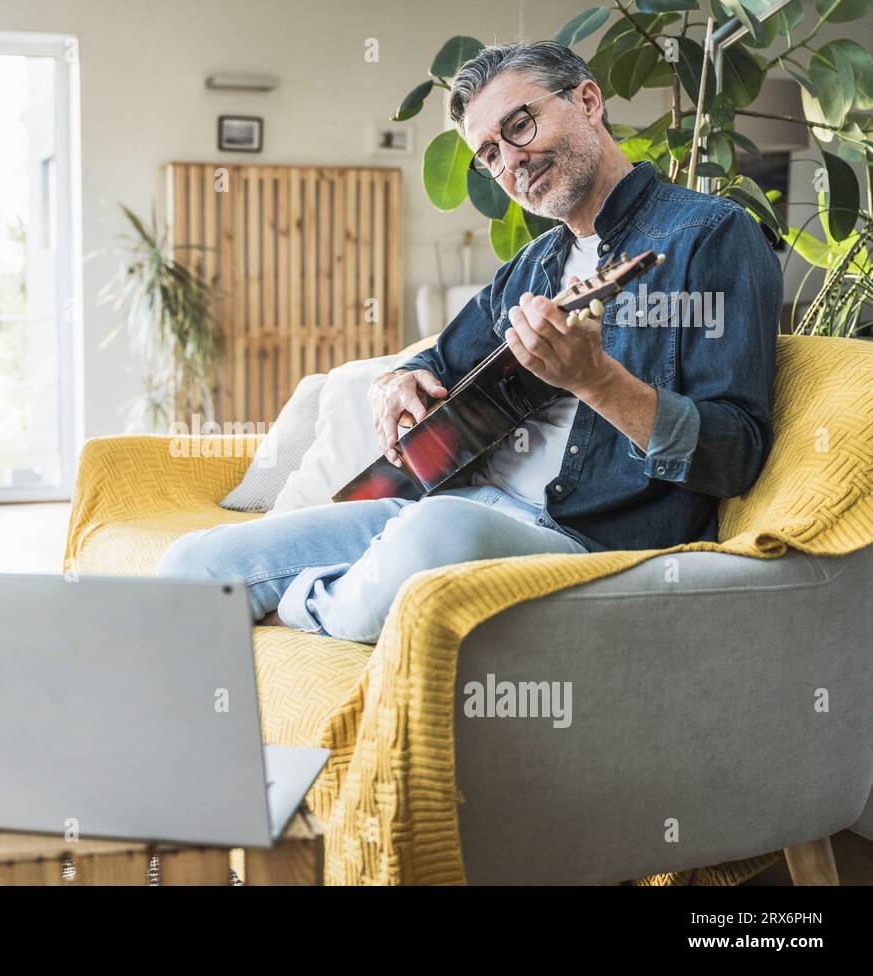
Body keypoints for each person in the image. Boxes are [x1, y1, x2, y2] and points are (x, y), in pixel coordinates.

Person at [157, 40, 782, 645]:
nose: (510, 161)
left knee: (434, 533)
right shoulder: (534, 264)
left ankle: (299, 605)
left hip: (579, 538)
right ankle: (333, 598)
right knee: (193, 563)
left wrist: (596, 380)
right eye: (488, 153)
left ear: (589, 102)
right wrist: (398, 381)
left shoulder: (710, 235)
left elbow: (736, 454)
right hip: (454, 502)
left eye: (520, 126)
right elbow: (439, 357)